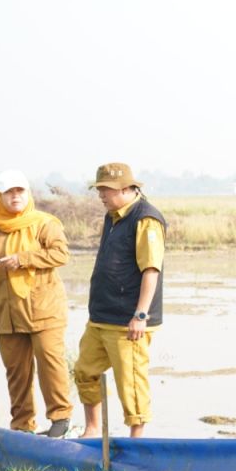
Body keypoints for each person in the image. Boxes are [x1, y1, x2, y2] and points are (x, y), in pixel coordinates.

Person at [75, 163, 166, 439]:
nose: (101, 195)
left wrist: (140, 315)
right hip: (101, 315)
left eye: (107, 190)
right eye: (99, 189)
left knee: (131, 384)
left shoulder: (146, 219)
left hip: (129, 320)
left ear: (127, 189)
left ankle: (136, 443)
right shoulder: (111, 216)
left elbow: (151, 269)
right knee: (84, 371)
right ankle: (92, 430)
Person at [0, 170, 73, 438]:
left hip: (44, 310)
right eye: (9, 192)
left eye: (19, 191)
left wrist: (23, 258)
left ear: (27, 193)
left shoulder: (44, 223)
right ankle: (22, 426)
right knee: (16, 373)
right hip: (6, 313)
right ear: (0, 196)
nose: (15, 196)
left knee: (50, 363)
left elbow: (60, 253)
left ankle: (60, 420)